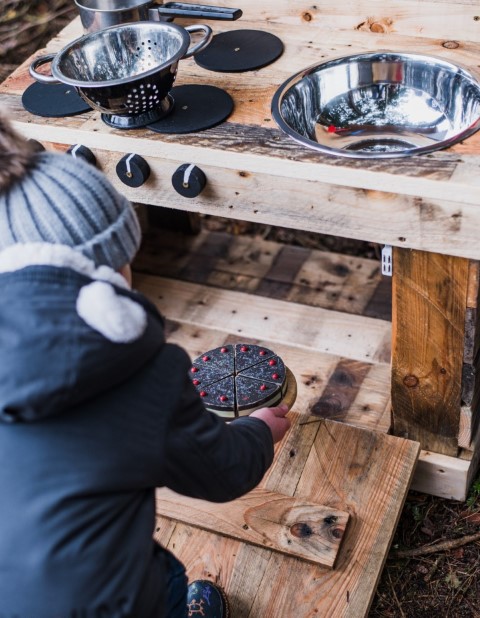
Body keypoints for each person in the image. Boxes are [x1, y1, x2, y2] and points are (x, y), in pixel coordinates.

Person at [0, 112, 291, 618]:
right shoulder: (136, 370)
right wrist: (259, 431)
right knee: (167, 584)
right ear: (110, 267)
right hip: (105, 603)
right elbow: (221, 473)